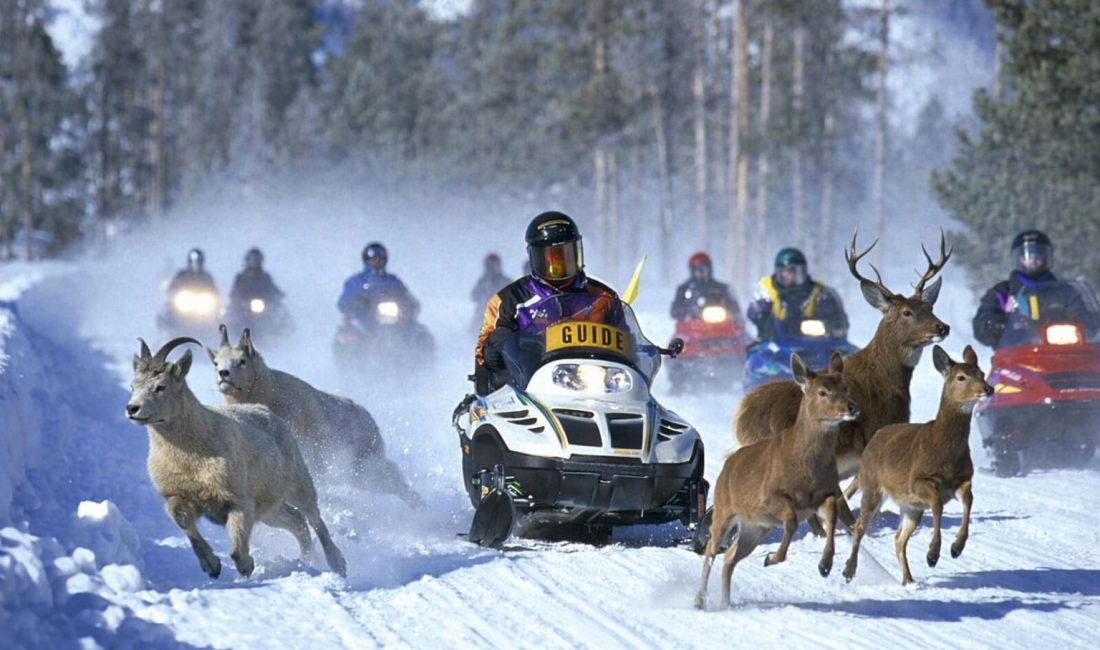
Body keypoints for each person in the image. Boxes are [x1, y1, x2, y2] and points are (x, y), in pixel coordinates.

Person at [475, 211, 622, 393]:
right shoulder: (508, 300)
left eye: (566, 256)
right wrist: (501, 346)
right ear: (535, 258)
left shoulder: (604, 297)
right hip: (530, 389)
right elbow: (484, 352)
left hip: (595, 386)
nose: (559, 267)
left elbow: (629, 345)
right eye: (552, 260)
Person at [972, 229, 1099, 347]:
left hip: (1061, 353)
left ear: (1046, 258)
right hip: (1014, 356)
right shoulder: (1003, 293)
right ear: (1017, 260)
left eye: (1037, 257)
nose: (1032, 261)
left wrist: (1081, 326)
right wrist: (994, 326)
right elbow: (982, 323)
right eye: (1027, 257)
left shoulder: (1064, 292)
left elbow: (1086, 321)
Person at [746, 247, 848, 340]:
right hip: (776, 343)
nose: (792, 276)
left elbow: (836, 317)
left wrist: (833, 323)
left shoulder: (819, 293)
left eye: (796, 272)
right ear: (779, 272)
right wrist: (763, 322)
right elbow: (754, 312)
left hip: (815, 343)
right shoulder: (768, 291)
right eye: (787, 272)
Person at [337, 242, 420, 322]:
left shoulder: (393, 280)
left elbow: (407, 297)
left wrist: (408, 305)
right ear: (366, 261)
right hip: (365, 320)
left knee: (418, 328)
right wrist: (358, 303)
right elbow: (344, 302)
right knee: (349, 327)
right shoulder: (356, 281)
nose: (377, 262)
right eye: (373, 260)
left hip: (393, 319)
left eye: (380, 259)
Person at [670, 252, 741, 321]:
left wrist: (729, 313)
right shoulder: (683, 289)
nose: (699, 272)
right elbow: (674, 312)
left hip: (719, 325)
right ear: (692, 271)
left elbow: (735, 310)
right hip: (690, 325)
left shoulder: (722, 289)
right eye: (696, 269)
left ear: (709, 269)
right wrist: (688, 311)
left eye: (702, 269)